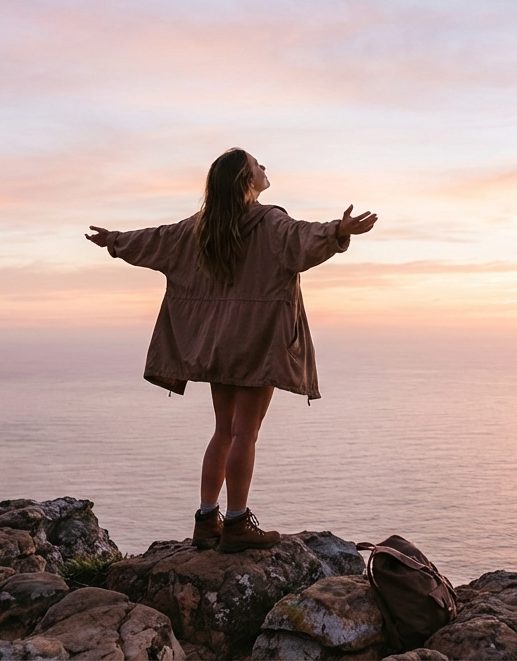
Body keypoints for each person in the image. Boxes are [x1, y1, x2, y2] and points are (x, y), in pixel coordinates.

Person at [85, 148, 376, 552]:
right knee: (245, 433)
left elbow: (155, 241)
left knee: (224, 430)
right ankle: (237, 523)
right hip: (258, 343)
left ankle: (207, 520)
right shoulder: (269, 221)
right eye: (258, 165)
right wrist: (339, 231)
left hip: (217, 344)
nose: (265, 167)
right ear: (245, 180)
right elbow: (302, 239)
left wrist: (115, 241)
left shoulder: (198, 229)